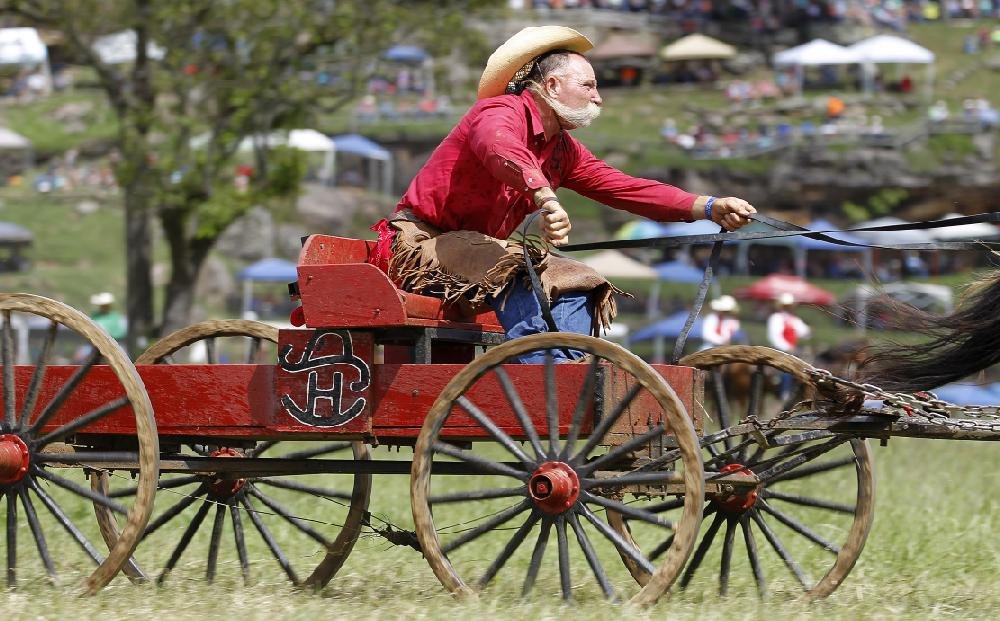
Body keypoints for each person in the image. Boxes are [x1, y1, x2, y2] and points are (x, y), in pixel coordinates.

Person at [369, 26, 756, 362]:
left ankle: (568, 376)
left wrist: (708, 206)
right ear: (552, 86)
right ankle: (540, 384)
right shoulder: (498, 111)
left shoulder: (563, 149)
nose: (598, 97)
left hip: (479, 250)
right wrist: (545, 196)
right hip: (423, 244)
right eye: (588, 85)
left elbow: (626, 188)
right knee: (518, 270)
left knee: (582, 280)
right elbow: (497, 146)